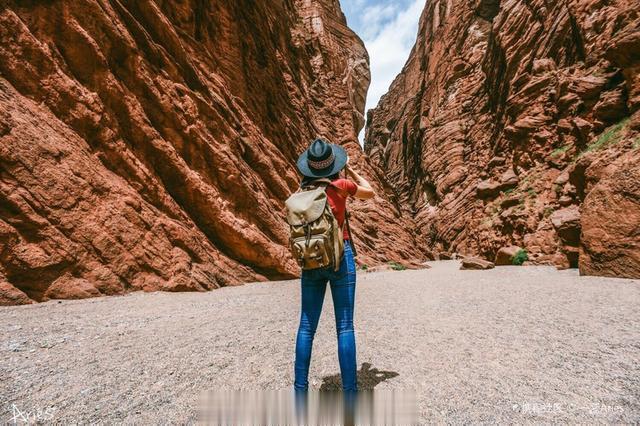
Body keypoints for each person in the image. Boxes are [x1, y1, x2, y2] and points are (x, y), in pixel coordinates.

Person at [293, 138, 374, 393]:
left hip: (311, 261)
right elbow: (369, 191)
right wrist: (349, 169)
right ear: (333, 165)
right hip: (341, 257)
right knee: (345, 326)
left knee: (306, 327)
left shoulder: (302, 192)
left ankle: (300, 392)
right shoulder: (341, 185)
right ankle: (350, 396)